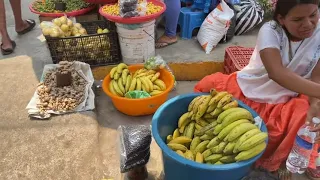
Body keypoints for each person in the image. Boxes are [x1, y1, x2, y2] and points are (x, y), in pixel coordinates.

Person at [193, 0, 320, 179]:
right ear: (282, 19)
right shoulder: (270, 31)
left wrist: (316, 103)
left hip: (286, 97)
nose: (308, 24)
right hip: (251, 90)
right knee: (208, 97)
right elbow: (277, 73)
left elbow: (317, 76)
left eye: (313, 15)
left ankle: (284, 161)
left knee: (310, 117)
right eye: (298, 19)